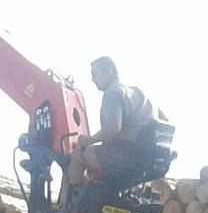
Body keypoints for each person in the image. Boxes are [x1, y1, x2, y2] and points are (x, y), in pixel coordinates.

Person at [70, 56, 164, 190]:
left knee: (78, 155)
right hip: (145, 158)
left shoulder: (112, 93)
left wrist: (89, 140)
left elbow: (114, 127)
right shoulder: (139, 93)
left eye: (95, 74)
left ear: (110, 71)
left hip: (123, 156)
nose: (92, 79)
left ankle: (67, 207)